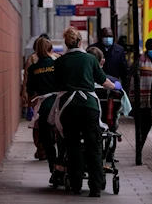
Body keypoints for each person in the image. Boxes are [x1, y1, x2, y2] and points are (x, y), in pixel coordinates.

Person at [54, 27, 121, 197]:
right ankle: (95, 188)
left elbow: (57, 84)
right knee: (94, 146)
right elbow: (103, 81)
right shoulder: (90, 59)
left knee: (73, 145)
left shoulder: (60, 62)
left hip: (68, 107)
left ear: (66, 43)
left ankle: (75, 185)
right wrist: (116, 87)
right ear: (80, 41)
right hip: (88, 106)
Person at [21, 33, 58, 160]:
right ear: (50, 49)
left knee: (38, 126)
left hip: (41, 101)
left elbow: (29, 87)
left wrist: (29, 105)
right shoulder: (57, 63)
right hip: (58, 100)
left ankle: (41, 150)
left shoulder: (33, 67)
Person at [90, 28, 130, 92]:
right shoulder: (93, 49)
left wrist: (125, 89)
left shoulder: (119, 50)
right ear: (101, 37)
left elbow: (124, 70)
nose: (108, 39)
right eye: (105, 36)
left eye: (110, 36)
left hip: (113, 83)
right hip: (96, 84)